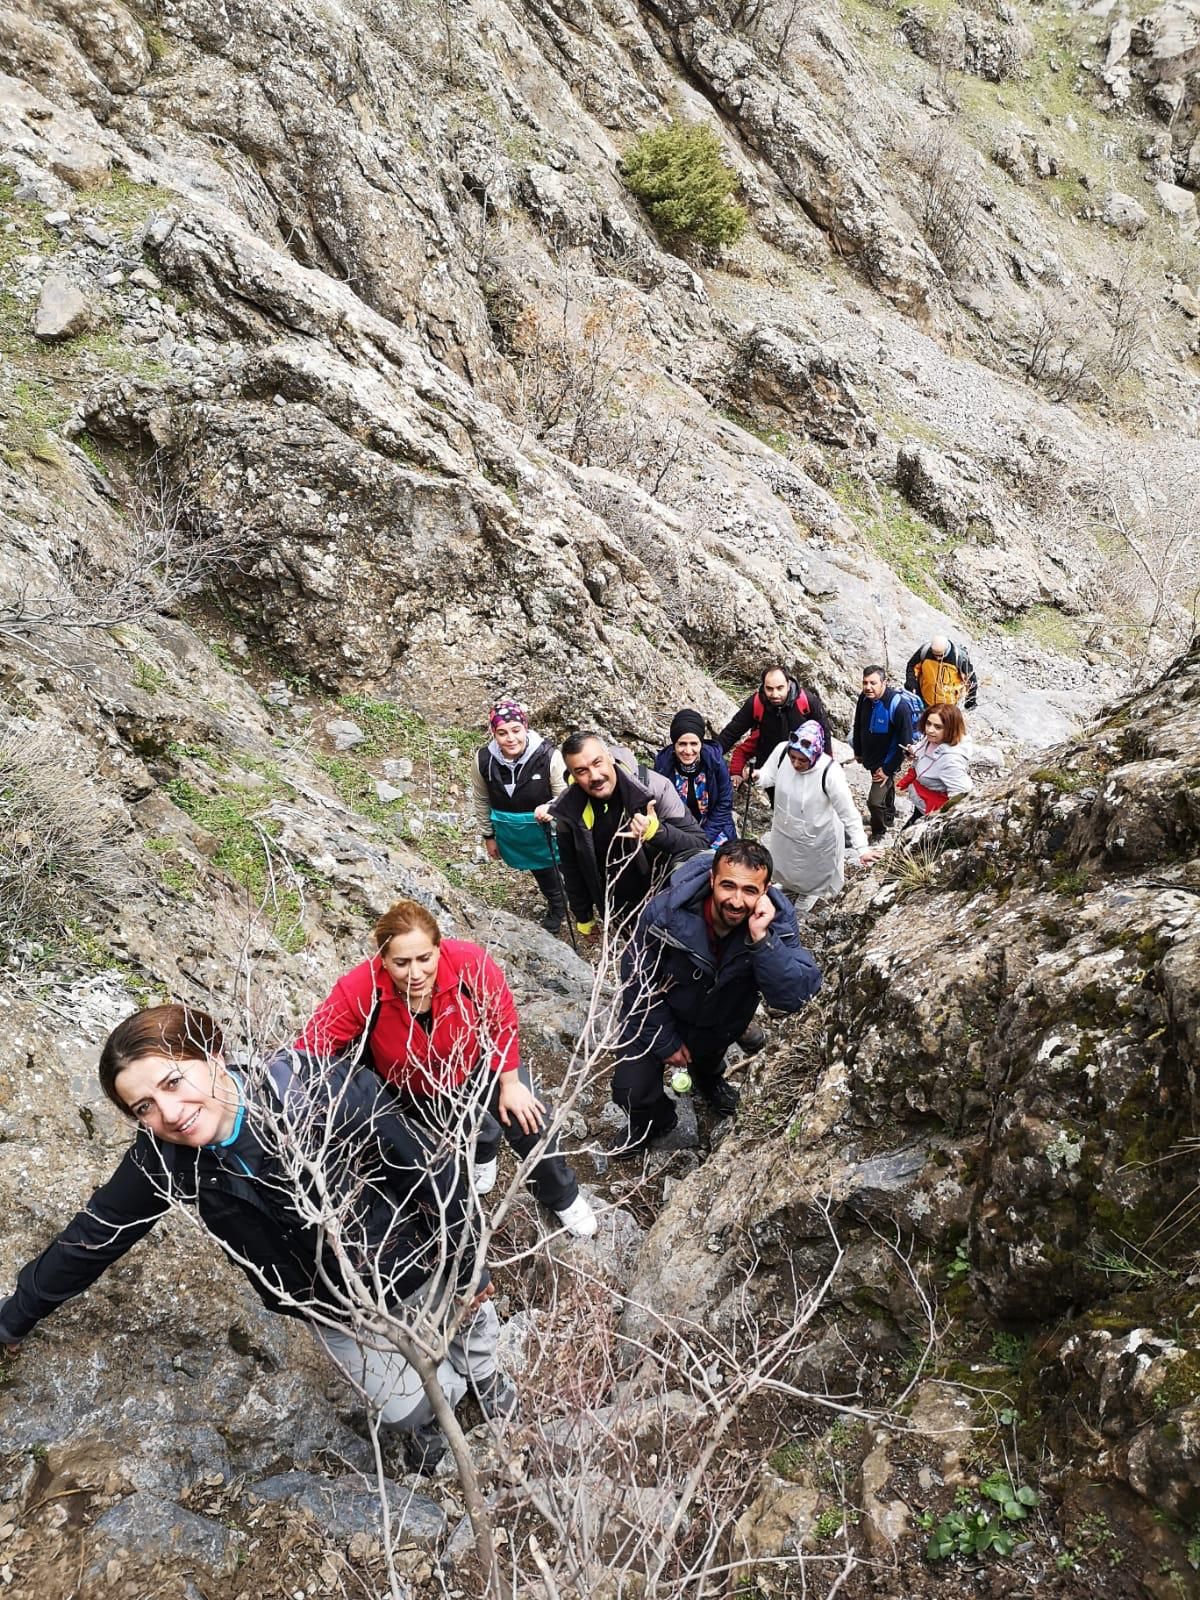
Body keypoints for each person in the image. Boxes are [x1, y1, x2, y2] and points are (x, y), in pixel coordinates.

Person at [0, 1005, 511, 1475]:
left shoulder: (320, 1090)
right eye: (145, 1107)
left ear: (213, 1054)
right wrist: (13, 1319)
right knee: (404, 1406)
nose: (170, 1113)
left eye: (175, 1082)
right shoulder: (164, 1158)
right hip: (329, 1306)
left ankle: (486, 1382)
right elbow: (93, 1238)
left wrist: (470, 1265)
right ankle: (431, 1419)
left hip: (416, 1261)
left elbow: (428, 1172)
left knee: (470, 1332)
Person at [299, 899, 597, 1239]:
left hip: (475, 1062)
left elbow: (501, 1019)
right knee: (461, 1127)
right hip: (409, 1084)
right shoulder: (360, 990)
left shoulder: (468, 964)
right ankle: (484, 1152)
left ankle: (562, 1196)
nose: (415, 973)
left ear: (439, 949)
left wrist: (511, 1082)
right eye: (401, 963)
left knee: (531, 1120)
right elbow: (311, 1048)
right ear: (382, 960)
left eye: (424, 958)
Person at [611, 840, 822, 1154]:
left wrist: (761, 939)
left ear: (765, 891)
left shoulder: (777, 922)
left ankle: (709, 1082)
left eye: (750, 891)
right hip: (656, 1015)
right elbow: (634, 977)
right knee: (630, 1090)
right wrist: (666, 1042)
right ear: (712, 880)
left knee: (708, 1063)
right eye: (728, 886)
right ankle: (653, 1122)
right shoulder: (667, 911)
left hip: (719, 1021)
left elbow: (794, 997)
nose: (736, 901)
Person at [537, 732, 709, 936]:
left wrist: (657, 831)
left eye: (597, 762)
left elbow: (699, 844)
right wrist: (584, 917)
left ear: (610, 757)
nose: (594, 776)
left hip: (667, 899)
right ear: (573, 775)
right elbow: (572, 868)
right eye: (582, 771)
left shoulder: (654, 787)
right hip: (617, 909)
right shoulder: (570, 809)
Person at [757, 723, 880, 910]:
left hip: (818, 834)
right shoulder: (782, 751)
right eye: (793, 758)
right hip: (785, 825)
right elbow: (769, 776)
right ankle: (789, 885)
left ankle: (810, 892)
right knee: (786, 859)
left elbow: (848, 813)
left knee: (812, 869)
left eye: (802, 760)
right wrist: (757, 776)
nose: (796, 764)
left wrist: (862, 848)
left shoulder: (829, 771)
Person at [471, 697, 569, 934]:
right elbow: (482, 799)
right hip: (518, 833)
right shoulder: (483, 760)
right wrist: (488, 835)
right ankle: (558, 906)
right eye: (502, 733)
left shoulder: (549, 756)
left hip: (556, 828)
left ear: (525, 727)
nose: (510, 738)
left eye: (516, 730)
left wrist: (551, 808)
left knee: (570, 866)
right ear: (494, 733)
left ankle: (582, 904)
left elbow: (566, 795)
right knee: (543, 870)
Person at [718, 666, 833, 788]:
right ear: (763, 686)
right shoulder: (756, 704)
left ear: (788, 685)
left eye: (780, 688)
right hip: (769, 767)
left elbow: (824, 734)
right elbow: (732, 732)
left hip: (802, 764)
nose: (775, 694)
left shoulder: (807, 701)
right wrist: (708, 755)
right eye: (769, 689)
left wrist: (828, 769)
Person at [652, 709, 737, 848]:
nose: (688, 751)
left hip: (713, 827)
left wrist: (704, 839)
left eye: (694, 744)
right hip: (678, 829)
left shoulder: (715, 762)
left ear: (701, 743)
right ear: (674, 744)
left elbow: (724, 804)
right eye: (682, 744)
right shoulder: (663, 764)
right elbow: (656, 799)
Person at [851, 665, 917, 842]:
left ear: (884, 683)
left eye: (873, 683)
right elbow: (858, 724)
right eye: (865, 682)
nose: (868, 687)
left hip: (887, 760)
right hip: (871, 757)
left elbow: (905, 743)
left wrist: (888, 769)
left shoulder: (899, 707)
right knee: (885, 787)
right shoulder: (863, 699)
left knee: (874, 801)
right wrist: (858, 750)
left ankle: (879, 830)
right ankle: (889, 815)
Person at [897, 702, 973, 820]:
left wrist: (942, 821)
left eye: (938, 727)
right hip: (922, 802)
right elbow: (921, 748)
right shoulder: (933, 739)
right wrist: (912, 751)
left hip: (933, 812)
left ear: (950, 729)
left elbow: (961, 794)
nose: (930, 730)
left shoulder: (951, 760)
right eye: (928, 724)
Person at [905, 635, 978, 710]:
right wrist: (911, 683)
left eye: (940, 656)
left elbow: (971, 680)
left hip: (948, 706)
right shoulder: (925, 652)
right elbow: (912, 666)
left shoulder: (958, 658)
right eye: (935, 655)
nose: (937, 658)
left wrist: (970, 702)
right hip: (924, 700)